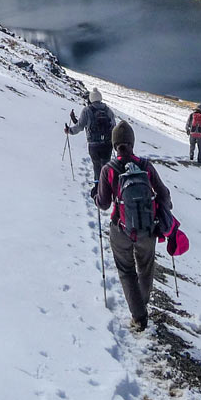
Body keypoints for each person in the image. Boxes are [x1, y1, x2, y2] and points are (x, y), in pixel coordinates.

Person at [95, 120, 172, 332]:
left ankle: (139, 317)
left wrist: (95, 196)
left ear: (114, 145)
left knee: (126, 270)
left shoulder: (108, 170)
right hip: (147, 229)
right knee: (146, 268)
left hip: (120, 229)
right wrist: (165, 214)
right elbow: (164, 194)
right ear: (132, 143)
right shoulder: (146, 166)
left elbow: (103, 203)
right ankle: (142, 304)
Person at [66, 87, 115, 182]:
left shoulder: (87, 110)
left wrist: (70, 131)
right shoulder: (108, 110)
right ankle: (107, 187)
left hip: (94, 145)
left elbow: (80, 126)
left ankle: (98, 188)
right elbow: (113, 126)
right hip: (107, 144)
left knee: (97, 166)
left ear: (91, 99)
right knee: (106, 166)